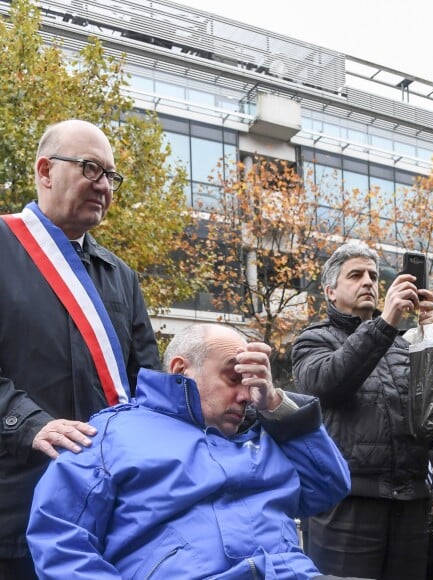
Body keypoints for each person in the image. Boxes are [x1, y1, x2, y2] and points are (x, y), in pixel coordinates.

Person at [26, 323, 352, 579]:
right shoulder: (112, 434)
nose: (245, 395)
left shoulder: (267, 432)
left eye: (250, 381)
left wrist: (276, 405)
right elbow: (59, 534)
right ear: (182, 370)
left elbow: (329, 488)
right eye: (233, 376)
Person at [0, 120, 160, 579]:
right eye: (91, 169)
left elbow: (145, 381)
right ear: (45, 171)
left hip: (102, 512)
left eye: (111, 176)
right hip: (16, 505)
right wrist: (28, 424)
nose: (105, 186)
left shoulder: (120, 276)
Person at [292, 241, 433, 579]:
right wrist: (385, 323)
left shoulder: (404, 343)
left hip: (411, 503)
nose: (369, 281)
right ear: (330, 291)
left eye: (373, 275)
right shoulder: (312, 340)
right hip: (348, 503)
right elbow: (328, 384)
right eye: (355, 275)